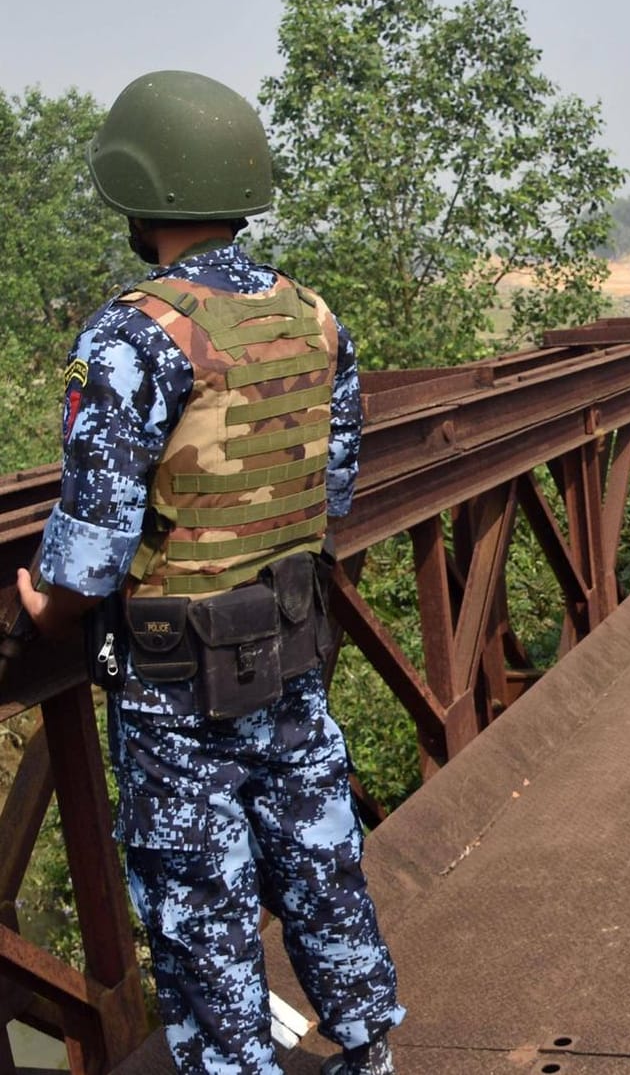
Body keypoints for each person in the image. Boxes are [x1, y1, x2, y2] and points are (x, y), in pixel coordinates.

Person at [16, 70, 403, 1075]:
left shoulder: (134, 336)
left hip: (174, 679)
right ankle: (368, 1044)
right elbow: (334, 493)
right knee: (321, 861)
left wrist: (38, 600)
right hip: (287, 643)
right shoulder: (316, 318)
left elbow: (92, 546)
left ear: (141, 200)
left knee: (199, 897)